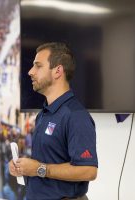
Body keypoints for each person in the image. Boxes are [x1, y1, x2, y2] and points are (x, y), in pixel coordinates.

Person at [9, 42, 98, 200]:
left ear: (58, 71)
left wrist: (39, 169)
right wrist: (24, 167)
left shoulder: (76, 115)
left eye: (38, 66)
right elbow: (46, 162)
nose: (30, 72)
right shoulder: (44, 114)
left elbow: (88, 170)